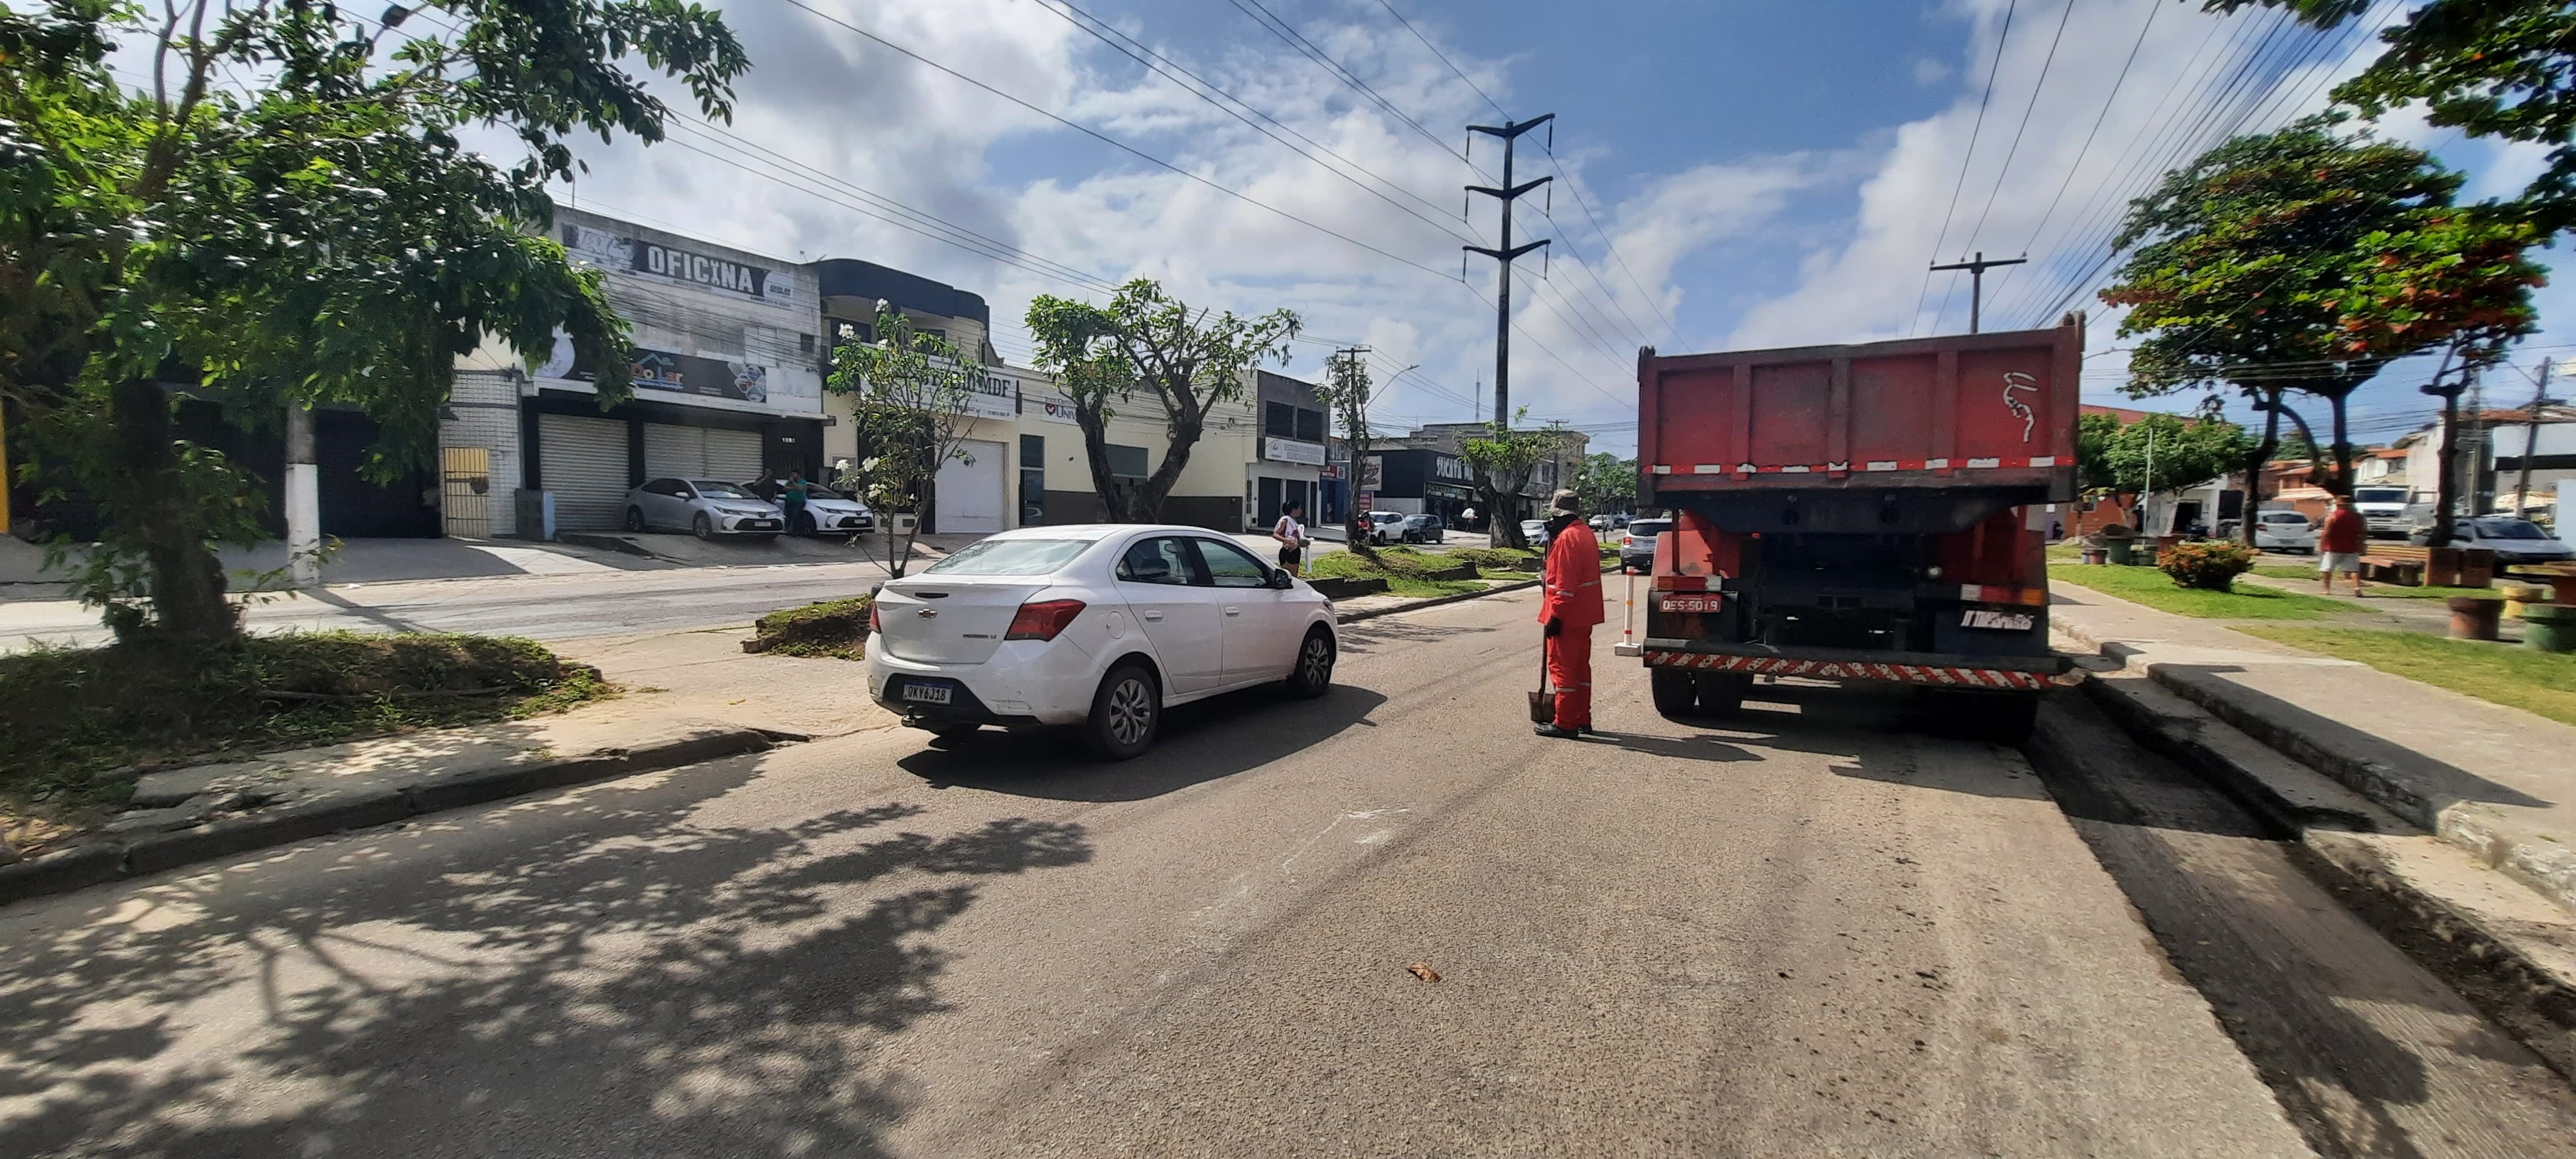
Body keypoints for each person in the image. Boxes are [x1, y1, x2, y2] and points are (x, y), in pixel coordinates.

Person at [1535, 489, 1604, 739]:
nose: (1552, 522)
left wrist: (1556, 617)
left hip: (1567, 615)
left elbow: (1564, 584)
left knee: (1562, 669)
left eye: (1554, 517)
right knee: (1580, 670)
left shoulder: (1567, 540)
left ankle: (1564, 723)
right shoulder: (1585, 534)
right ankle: (1581, 718)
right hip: (1584, 616)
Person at [2319, 494, 2366, 596]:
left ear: (2338, 505)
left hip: (2333, 547)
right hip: (2351, 547)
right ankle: (2357, 587)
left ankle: (2327, 589)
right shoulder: (2358, 517)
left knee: (2327, 568)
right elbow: (2362, 532)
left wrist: (2322, 545)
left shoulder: (2333, 516)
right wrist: (2362, 544)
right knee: (2354, 569)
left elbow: (2327, 533)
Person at [1272, 500, 1309, 573]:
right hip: (1287, 552)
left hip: (1296, 551)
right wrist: (1287, 541)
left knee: (1295, 578)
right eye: (1299, 508)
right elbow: (1275, 535)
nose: (1301, 510)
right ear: (1293, 510)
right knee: (1288, 577)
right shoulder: (1286, 520)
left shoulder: (1294, 521)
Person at [781, 469, 811, 534]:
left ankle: (795, 531)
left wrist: (793, 483)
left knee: (796, 516)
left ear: (798, 475)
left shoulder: (802, 482)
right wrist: (792, 487)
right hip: (790, 501)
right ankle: (787, 529)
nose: (793, 476)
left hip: (799, 502)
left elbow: (800, 488)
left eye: (794, 475)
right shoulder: (790, 482)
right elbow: (785, 488)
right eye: (792, 475)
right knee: (788, 516)